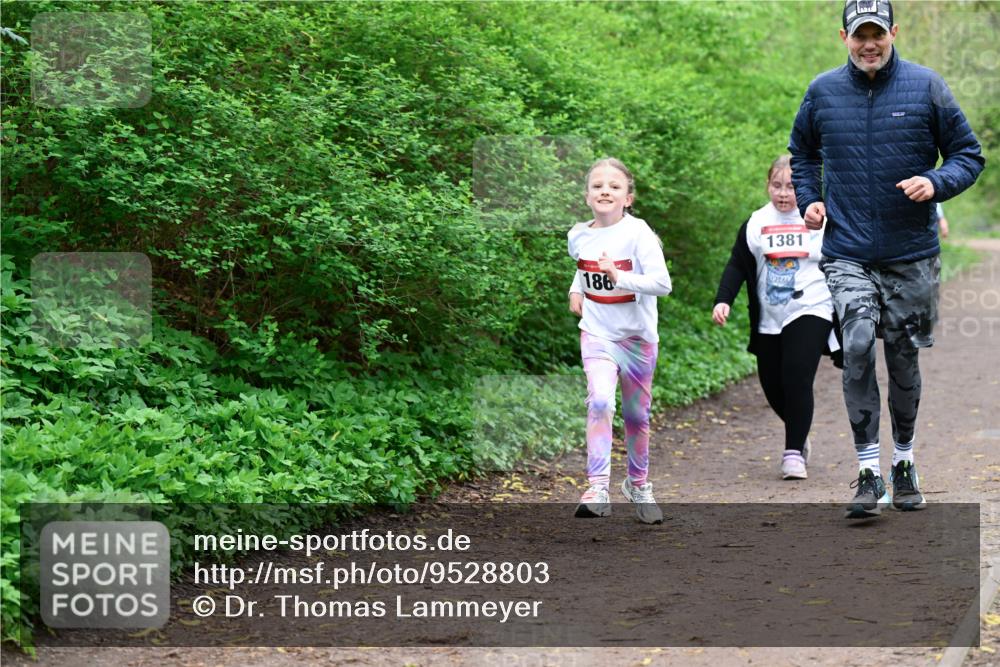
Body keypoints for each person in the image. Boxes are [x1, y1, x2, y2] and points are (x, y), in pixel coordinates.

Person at [789, 0, 985, 518]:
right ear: (844, 37)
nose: (869, 43)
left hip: (912, 254)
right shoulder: (822, 91)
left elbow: (969, 154)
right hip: (848, 251)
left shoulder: (927, 87)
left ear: (894, 33)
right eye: (860, 35)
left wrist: (936, 182)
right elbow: (803, 153)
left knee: (901, 356)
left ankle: (903, 462)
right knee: (855, 344)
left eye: (878, 33)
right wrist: (810, 198)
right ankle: (869, 471)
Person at [712, 155, 840, 481]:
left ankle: (793, 453)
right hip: (769, 315)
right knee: (772, 384)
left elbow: (846, 258)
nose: (784, 193)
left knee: (797, 375)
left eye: (793, 186)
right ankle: (800, 429)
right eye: (777, 185)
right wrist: (723, 300)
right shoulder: (756, 222)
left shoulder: (822, 218)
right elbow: (737, 265)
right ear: (768, 185)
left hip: (811, 306)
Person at [567, 157, 672, 524]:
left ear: (628, 197)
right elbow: (582, 268)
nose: (605, 191)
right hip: (597, 334)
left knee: (636, 415)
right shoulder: (578, 234)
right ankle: (597, 487)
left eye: (614, 186)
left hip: (638, 339)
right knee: (599, 401)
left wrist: (620, 277)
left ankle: (638, 483)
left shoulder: (638, 234)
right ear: (587, 196)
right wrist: (575, 289)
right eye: (598, 186)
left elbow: (662, 284)